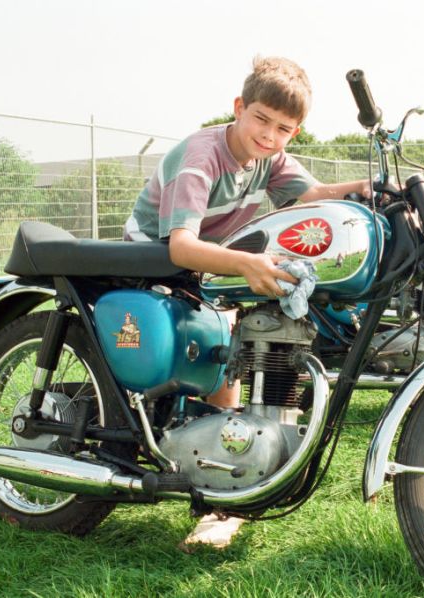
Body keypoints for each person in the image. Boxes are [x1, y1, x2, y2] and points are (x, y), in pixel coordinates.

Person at [123, 56, 370, 549]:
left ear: (293, 134)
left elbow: (312, 193)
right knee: (219, 342)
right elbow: (179, 246)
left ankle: (228, 468)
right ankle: (223, 488)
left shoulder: (269, 159)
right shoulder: (202, 156)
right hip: (148, 262)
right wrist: (245, 264)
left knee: (235, 345)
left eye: (284, 129)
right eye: (261, 119)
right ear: (239, 107)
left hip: (202, 266)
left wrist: (363, 190)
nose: (269, 135)